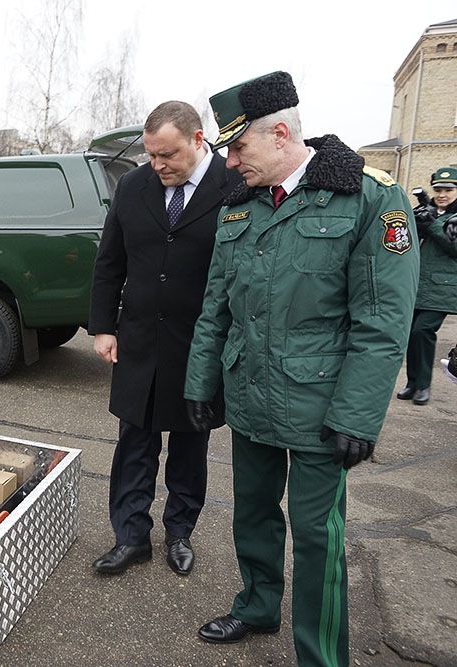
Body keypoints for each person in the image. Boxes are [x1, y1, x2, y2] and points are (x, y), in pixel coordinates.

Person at [183, 72, 419, 666]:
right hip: (251, 394)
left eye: (238, 148)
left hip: (322, 406)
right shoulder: (240, 206)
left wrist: (359, 416)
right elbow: (216, 305)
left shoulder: (368, 196)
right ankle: (258, 604)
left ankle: (320, 655)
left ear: (281, 133)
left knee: (318, 537)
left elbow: (383, 319)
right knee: (253, 513)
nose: (230, 162)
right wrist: (201, 383)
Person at [88, 101, 239, 577]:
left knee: (190, 446)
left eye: (167, 155)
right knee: (134, 442)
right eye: (152, 155)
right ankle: (131, 537)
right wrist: (103, 326)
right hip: (137, 341)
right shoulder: (134, 186)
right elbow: (110, 261)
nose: (158, 166)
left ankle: (179, 532)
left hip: (200, 346)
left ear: (199, 140)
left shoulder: (235, 187)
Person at [397, 167, 457, 405]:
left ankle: (423, 385)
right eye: (439, 190)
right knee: (411, 335)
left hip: (442, 287)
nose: (442, 194)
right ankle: (412, 384)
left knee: (423, 331)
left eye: (449, 190)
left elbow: (455, 246)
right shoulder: (427, 210)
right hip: (416, 284)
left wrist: (431, 224)